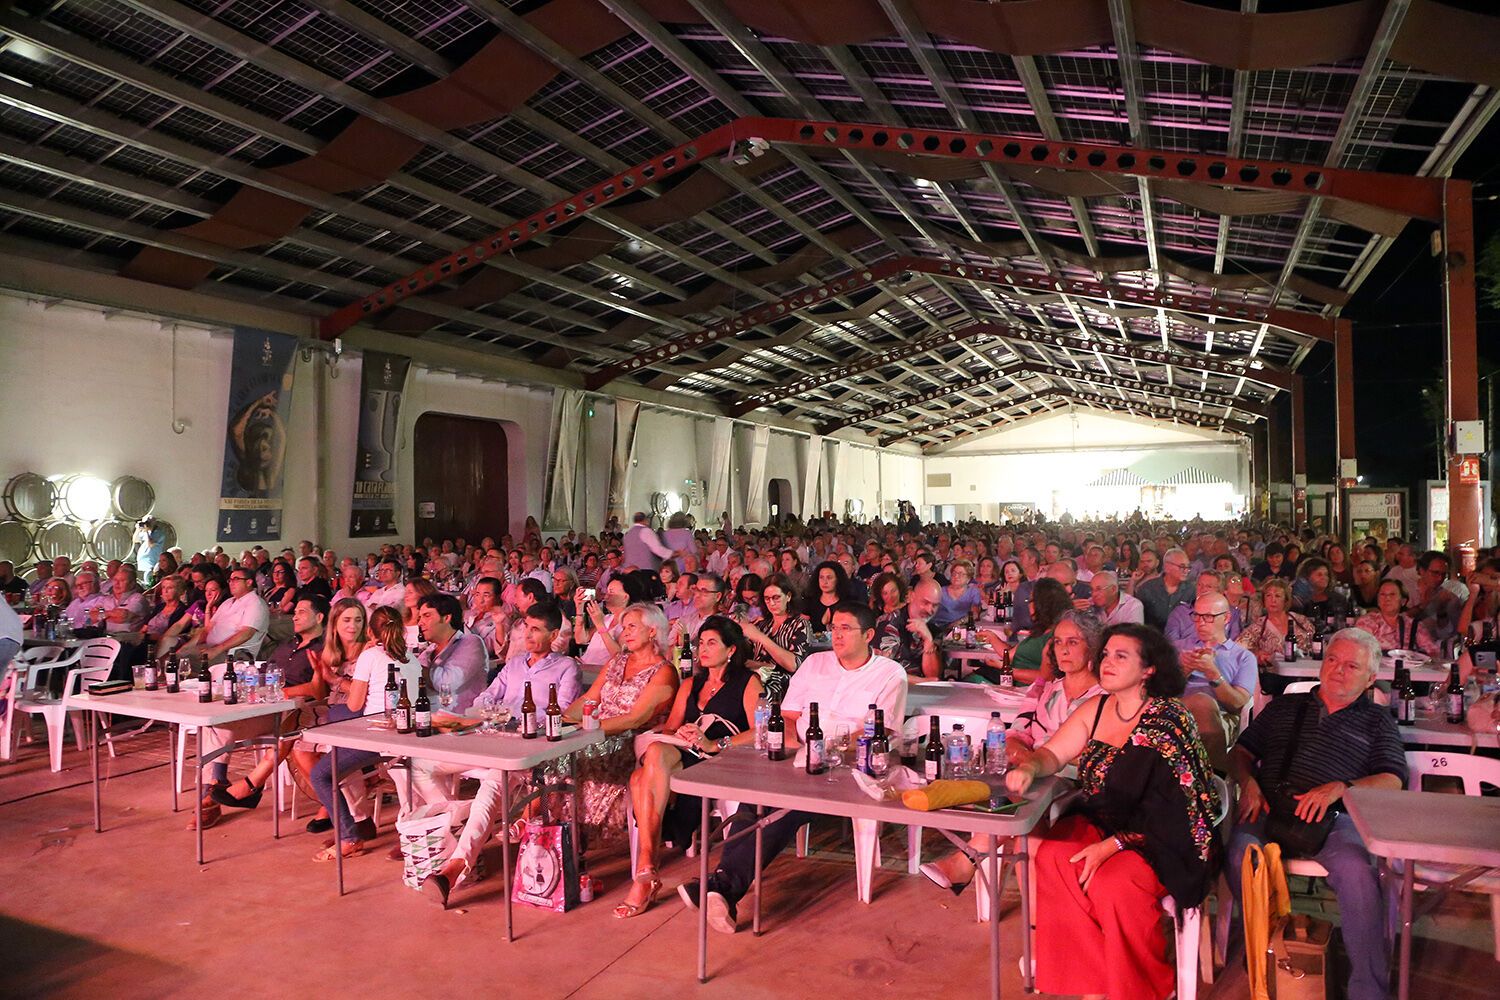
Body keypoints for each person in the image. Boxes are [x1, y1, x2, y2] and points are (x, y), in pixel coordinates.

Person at [1006, 623, 1220, 1000]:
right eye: (1105, 654)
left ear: (1148, 668)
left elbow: (1181, 808)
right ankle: (1094, 983)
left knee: (1114, 886)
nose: (1107, 662)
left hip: (1162, 837)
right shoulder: (1097, 707)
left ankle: (1145, 988)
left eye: (1121, 656)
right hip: (1105, 820)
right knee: (1054, 855)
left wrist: (1114, 846)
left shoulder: (1170, 718)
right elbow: (1053, 753)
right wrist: (1030, 767)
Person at [678, 602, 906, 933]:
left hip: (850, 766)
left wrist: (828, 748)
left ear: (869, 635)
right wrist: (797, 749)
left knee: (785, 808)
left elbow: (879, 730)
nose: (837, 635)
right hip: (798, 756)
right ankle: (723, 888)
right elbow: (786, 716)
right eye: (834, 628)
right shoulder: (815, 663)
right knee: (755, 796)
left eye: (846, 629)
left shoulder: (890, 674)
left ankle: (722, 885)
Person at [1227, 628, 1406, 1000]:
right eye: (1333, 660)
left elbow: (1392, 779)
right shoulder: (1285, 707)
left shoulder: (1377, 721)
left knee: (1358, 873)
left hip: (1335, 819)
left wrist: (1342, 787)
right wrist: (1249, 782)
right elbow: (1241, 751)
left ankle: (1368, 991)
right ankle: (1266, 954)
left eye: (1352, 666)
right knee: (1242, 857)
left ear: (1370, 678)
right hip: (1271, 807)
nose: (1338, 670)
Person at [920, 610, 1104, 893]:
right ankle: (1034, 913)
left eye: (1073, 642)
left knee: (1021, 798)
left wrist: (1039, 761)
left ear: (1092, 647)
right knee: (1025, 831)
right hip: (1033, 776)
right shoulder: (1047, 689)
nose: (1063, 650)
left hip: (1076, 784)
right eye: (1058, 642)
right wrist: (1022, 752)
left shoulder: (1104, 697)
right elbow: (1017, 731)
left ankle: (967, 858)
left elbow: (1096, 756)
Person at [617, 615, 763, 918]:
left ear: (731, 649)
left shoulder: (747, 682)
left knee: (639, 779)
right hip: (687, 753)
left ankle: (646, 871)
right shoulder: (691, 683)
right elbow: (670, 728)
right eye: (701, 643)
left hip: (723, 758)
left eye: (712, 643)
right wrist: (683, 732)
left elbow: (758, 730)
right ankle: (647, 864)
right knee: (656, 751)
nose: (703, 649)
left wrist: (715, 743)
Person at [558, 603, 680, 842]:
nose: (626, 633)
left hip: (628, 739)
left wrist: (588, 727)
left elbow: (636, 718)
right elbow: (589, 699)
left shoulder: (663, 671)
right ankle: (550, 829)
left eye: (632, 627)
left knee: (571, 759)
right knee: (552, 754)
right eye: (624, 628)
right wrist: (562, 720)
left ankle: (574, 835)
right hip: (593, 731)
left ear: (652, 631)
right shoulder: (617, 661)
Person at [206, 595, 332, 816]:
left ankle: (244, 788)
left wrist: (285, 692)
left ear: (320, 617)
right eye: (295, 612)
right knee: (216, 724)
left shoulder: (324, 649)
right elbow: (263, 674)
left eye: (302, 612)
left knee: (288, 729)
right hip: (264, 707)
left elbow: (319, 690)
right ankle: (215, 783)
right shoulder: (286, 646)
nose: (295, 616)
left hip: (293, 711)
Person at [308, 606, 412, 860]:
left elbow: (355, 705)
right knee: (334, 723)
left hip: (377, 735)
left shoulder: (371, 655)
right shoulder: (411, 656)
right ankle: (356, 822)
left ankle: (349, 837)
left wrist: (335, 681)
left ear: (369, 632)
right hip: (404, 729)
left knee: (321, 774)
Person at [1177, 592, 1257, 769]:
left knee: (1202, 702)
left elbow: (1237, 704)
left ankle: (1214, 777)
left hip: (1220, 715)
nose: (1200, 623)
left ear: (1226, 618)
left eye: (1208, 617)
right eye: (1197, 616)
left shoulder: (1242, 657)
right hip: (1178, 712)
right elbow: (1161, 694)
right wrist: (1184, 671)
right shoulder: (1179, 648)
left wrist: (1213, 673)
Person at [737, 572, 808, 700]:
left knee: (755, 692)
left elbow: (793, 665)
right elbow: (744, 656)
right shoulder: (762, 624)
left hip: (782, 682)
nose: (772, 603)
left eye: (776, 598)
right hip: (756, 676)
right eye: (767, 599)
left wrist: (760, 637)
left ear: (788, 596)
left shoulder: (799, 624)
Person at [1236, 577, 1313, 692]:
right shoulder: (1258, 626)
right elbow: (1237, 649)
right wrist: (1256, 654)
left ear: (1286, 600)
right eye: (1268, 596)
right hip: (1273, 681)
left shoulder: (1301, 621)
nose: (1273, 600)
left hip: (1305, 676)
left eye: (1277, 596)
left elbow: (1319, 645)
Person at [414, 593, 487, 713]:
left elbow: (446, 684)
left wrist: (415, 666)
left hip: (462, 720)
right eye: (420, 617)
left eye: (427, 616)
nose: (420, 623)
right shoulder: (429, 650)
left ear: (446, 618)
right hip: (429, 718)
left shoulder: (471, 642)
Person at [179, 568, 269, 663]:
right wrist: (185, 647)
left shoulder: (255, 603)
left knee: (186, 661)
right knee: (177, 656)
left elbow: (246, 633)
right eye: (230, 580)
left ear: (249, 582)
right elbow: (208, 629)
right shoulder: (228, 602)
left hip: (232, 654)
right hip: (210, 647)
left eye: (236, 579)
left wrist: (216, 650)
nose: (231, 583)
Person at [874, 577, 943, 680]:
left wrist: (928, 641)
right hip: (894, 687)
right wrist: (919, 681)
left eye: (935, 605)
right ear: (911, 596)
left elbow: (933, 676)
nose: (930, 610)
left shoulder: (933, 629)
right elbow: (881, 672)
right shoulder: (889, 623)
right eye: (925, 602)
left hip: (922, 687)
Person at [1353, 579, 1437, 654]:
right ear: (1378, 601)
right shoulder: (1367, 622)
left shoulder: (1413, 625)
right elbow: (1357, 651)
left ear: (1403, 601)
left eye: (1392, 594)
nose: (1387, 598)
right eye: (1382, 594)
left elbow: (1433, 651)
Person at [1135, 546, 1195, 630]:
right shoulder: (1147, 589)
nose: (1186, 571)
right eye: (1182, 567)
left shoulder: (1191, 590)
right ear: (1167, 567)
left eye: (1188, 567)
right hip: (1152, 635)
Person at [930, 559, 983, 632]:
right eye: (954, 573)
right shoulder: (940, 591)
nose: (956, 576)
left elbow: (975, 614)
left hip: (961, 626)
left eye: (961, 574)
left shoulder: (973, 592)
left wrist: (959, 622)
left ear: (968, 578)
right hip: (938, 628)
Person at [799, 560, 853, 629]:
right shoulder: (809, 601)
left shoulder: (848, 603)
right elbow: (803, 628)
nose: (824, 582)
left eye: (829, 578)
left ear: (838, 579)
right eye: (821, 577)